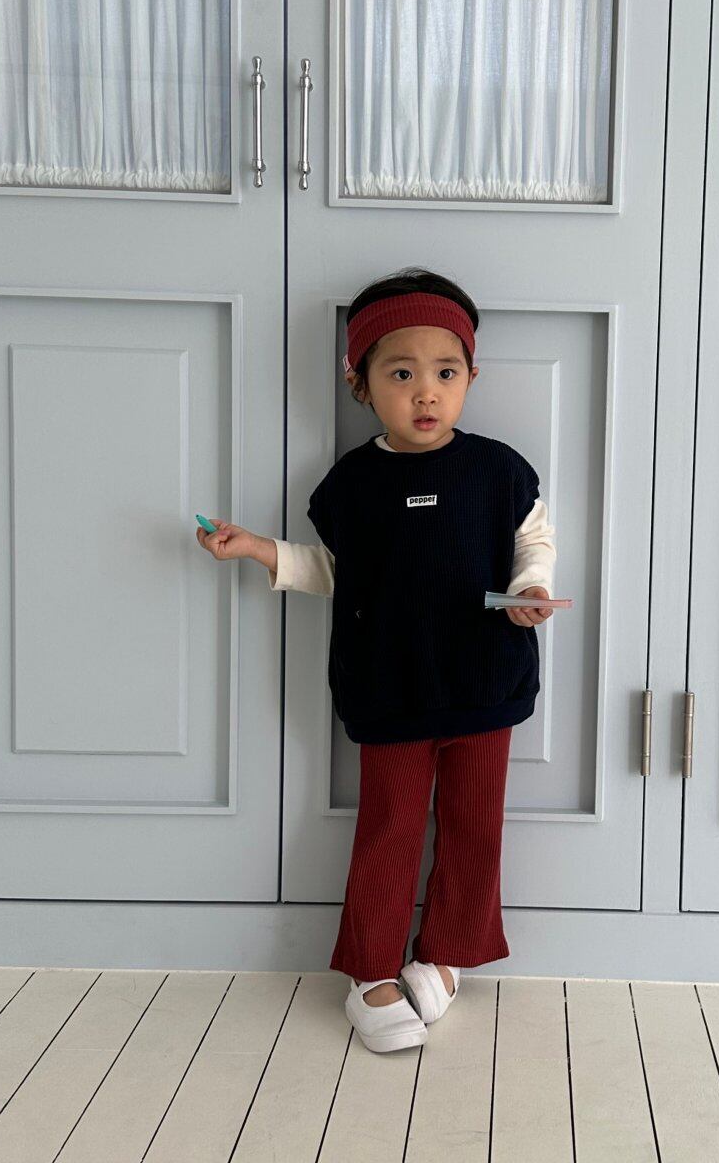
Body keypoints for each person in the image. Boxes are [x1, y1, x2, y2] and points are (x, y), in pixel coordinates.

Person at [195, 267, 557, 1054]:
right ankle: (370, 972)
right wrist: (257, 548)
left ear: (471, 377)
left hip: (484, 681)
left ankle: (448, 955)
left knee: (474, 828)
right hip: (389, 687)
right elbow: (333, 571)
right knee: (390, 828)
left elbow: (533, 541)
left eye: (446, 373)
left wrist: (531, 587)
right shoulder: (353, 484)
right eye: (401, 374)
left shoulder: (499, 471)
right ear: (358, 382)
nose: (426, 393)